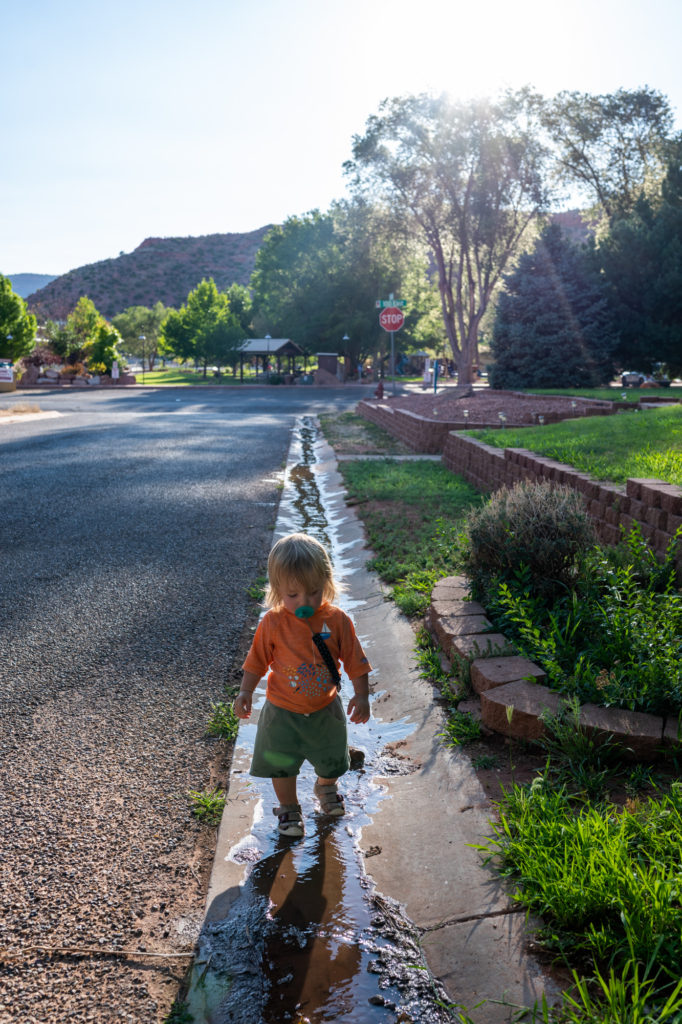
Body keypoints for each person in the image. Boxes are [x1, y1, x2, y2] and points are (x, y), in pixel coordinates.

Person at [233, 533, 371, 838]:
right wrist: (245, 691)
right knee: (281, 764)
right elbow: (256, 660)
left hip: (325, 709)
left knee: (334, 759)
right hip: (282, 711)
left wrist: (362, 696)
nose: (305, 602)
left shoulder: (337, 621)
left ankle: (326, 787)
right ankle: (289, 808)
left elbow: (355, 660)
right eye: (293, 595)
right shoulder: (273, 622)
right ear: (278, 590)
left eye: (313, 592)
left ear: (327, 583)